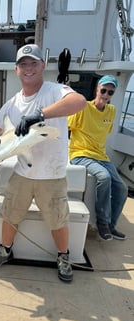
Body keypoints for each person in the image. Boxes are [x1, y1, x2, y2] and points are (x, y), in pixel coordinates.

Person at [0, 44, 86, 282]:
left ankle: (63, 256)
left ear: (43, 65)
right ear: (16, 69)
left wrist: (40, 115)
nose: (28, 68)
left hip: (51, 173)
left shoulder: (55, 90)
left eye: (33, 63)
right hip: (22, 172)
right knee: (10, 214)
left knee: (57, 219)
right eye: (23, 64)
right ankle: (5, 251)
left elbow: (79, 102)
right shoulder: (12, 103)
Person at [68, 75, 128, 241]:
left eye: (110, 92)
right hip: (80, 153)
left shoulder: (112, 111)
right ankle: (102, 222)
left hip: (101, 156)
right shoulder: (83, 108)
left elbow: (105, 133)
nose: (106, 94)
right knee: (104, 177)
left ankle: (111, 225)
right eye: (103, 90)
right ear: (97, 90)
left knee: (122, 189)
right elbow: (68, 126)